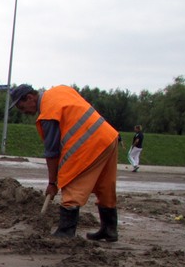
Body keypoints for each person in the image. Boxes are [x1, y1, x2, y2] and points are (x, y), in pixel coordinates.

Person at [10, 83, 119, 241]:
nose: (25, 112)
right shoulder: (60, 91)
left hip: (89, 144)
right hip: (108, 137)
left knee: (72, 183)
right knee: (105, 186)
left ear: (30, 97)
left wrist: (52, 183)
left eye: (22, 107)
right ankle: (110, 229)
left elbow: (52, 152)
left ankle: (66, 231)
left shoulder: (48, 112)